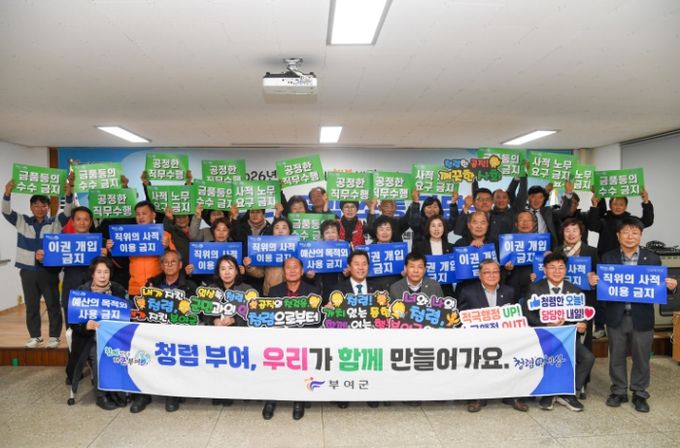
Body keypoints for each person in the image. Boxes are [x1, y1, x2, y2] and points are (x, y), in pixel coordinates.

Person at [591, 217, 677, 413]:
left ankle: (639, 393)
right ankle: (619, 390)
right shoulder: (608, 257)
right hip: (616, 316)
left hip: (642, 316)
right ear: (618, 235)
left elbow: (659, 286)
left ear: (640, 235)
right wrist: (593, 281)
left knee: (641, 357)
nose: (630, 236)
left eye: (634, 232)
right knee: (616, 356)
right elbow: (601, 286)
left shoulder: (652, 258)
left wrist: (671, 286)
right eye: (626, 232)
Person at [3, 178, 74, 348]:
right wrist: (7, 193)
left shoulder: (55, 222)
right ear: (31, 207)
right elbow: (6, 211)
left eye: (43, 206)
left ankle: (54, 337)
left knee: (53, 305)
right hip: (27, 270)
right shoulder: (22, 221)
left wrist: (68, 193)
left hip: (49, 270)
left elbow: (68, 211)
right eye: (36, 205)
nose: (39, 209)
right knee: (32, 306)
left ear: (48, 207)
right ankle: (35, 336)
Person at [521, 252, 595, 412]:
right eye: (552, 267)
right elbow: (527, 314)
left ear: (566, 270)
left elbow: (582, 314)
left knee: (587, 358)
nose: (557, 271)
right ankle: (549, 392)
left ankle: (567, 392)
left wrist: (582, 323)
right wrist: (546, 323)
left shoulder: (574, 290)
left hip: (567, 339)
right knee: (550, 359)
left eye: (561, 267)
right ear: (545, 269)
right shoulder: (535, 288)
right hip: (544, 338)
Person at [130, 249, 197, 414]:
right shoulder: (152, 284)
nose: (169, 265)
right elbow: (141, 307)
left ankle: (171, 393)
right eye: (166, 262)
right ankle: (142, 394)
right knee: (138, 347)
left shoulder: (190, 286)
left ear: (180, 265)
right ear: (161, 265)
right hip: (153, 330)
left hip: (178, 332)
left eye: (173, 262)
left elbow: (194, 314)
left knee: (172, 350)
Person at [457, 259, 524, 412]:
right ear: (479, 275)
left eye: (495, 272)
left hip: (504, 339)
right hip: (477, 340)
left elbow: (515, 315)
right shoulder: (468, 292)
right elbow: (461, 317)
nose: (491, 275)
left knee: (515, 354)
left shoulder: (509, 291)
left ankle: (512, 396)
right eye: (487, 272)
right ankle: (477, 397)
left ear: (500, 274)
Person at [68, 257, 129, 410]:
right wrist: (85, 326)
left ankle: (117, 392)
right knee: (99, 354)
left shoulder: (118, 290)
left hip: (113, 336)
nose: (103, 276)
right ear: (92, 274)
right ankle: (101, 396)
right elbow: (73, 323)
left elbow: (126, 315)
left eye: (106, 272)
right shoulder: (82, 292)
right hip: (88, 338)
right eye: (99, 272)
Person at [266, 257, 322, 420]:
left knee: (303, 360)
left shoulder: (314, 291)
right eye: (288, 268)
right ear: (284, 272)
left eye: (295, 267)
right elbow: (268, 318)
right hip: (280, 340)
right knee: (273, 363)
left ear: (302, 271)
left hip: (303, 340)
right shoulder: (274, 291)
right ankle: (271, 400)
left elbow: (317, 320)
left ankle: (299, 400)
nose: (292, 270)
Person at [553, 217, 599, 397]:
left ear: (581, 233)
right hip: (560, 303)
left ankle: (582, 382)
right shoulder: (557, 251)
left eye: (575, 230)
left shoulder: (591, 252)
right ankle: (562, 380)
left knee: (584, 342)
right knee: (562, 341)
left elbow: (601, 279)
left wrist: (594, 281)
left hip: (584, 302)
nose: (571, 234)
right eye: (567, 230)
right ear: (562, 233)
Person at [334, 250, 381, 409]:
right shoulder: (338, 289)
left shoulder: (378, 289)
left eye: (364, 264)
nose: (361, 268)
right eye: (356, 264)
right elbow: (332, 318)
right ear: (349, 267)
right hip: (346, 339)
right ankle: (344, 393)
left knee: (370, 363)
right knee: (347, 363)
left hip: (371, 338)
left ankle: (370, 392)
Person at [205, 254, 252, 406]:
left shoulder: (247, 290)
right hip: (216, 337)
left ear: (237, 271)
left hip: (239, 337)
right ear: (218, 272)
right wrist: (213, 320)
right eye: (223, 269)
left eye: (230, 268)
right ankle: (220, 392)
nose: (227, 272)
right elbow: (201, 312)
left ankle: (239, 390)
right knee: (218, 364)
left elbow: (254, 316)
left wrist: (234, 320)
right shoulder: (210, 290)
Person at [124, 201, 174, 297]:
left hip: (158, 288)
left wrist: (166, 247)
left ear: (153, 215)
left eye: (144, 213)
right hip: (135, 289)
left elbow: (174, 260)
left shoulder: (164, 235)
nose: (141, 217)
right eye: (138, 214)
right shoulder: (128, 236)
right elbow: (121, 263)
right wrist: (112, 249)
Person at [453, 211, 498, 297]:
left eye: (483, 222)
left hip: (491, 290)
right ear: (468, 225)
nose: (479, 226)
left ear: (487, 225)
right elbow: (456, 272)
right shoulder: (460, 244)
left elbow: (500, 268)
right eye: (475, 222)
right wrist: (469, 249)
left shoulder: (495, 243)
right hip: (466, 290)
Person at [243, 217, 292, 296]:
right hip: (271, 292)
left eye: (284, 228)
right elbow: (260, 273)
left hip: (293, 292)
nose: (280, 231)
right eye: (277, 228)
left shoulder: (297, 248)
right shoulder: (266, 248)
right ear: (273, 232)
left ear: (289, 231)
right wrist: (250, 266)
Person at [412, 215, 454, 297]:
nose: (436, 229)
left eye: (439, 225)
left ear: (444, 228)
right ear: (428, 228)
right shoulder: (419, 247)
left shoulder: (450, 247)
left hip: (446, 290)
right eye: (433, 226)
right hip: (424, 291)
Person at [503, 210, 539, 301]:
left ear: (533, 224)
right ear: (516, 224)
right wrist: (507, 270)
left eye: (528, 220)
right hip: (513, 286)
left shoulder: (541, 242)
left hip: (535, 286)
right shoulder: (507, 242)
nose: (525, 223)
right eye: (521, 220)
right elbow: (501, 269)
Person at [367, 216, 402, 291]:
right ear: (376, 232)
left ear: (392, 231)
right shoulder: (367, 251)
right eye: (381, 229)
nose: (385, 232)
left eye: (388, 229)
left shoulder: (399, 250)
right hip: (374, 290)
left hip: (395, 290)